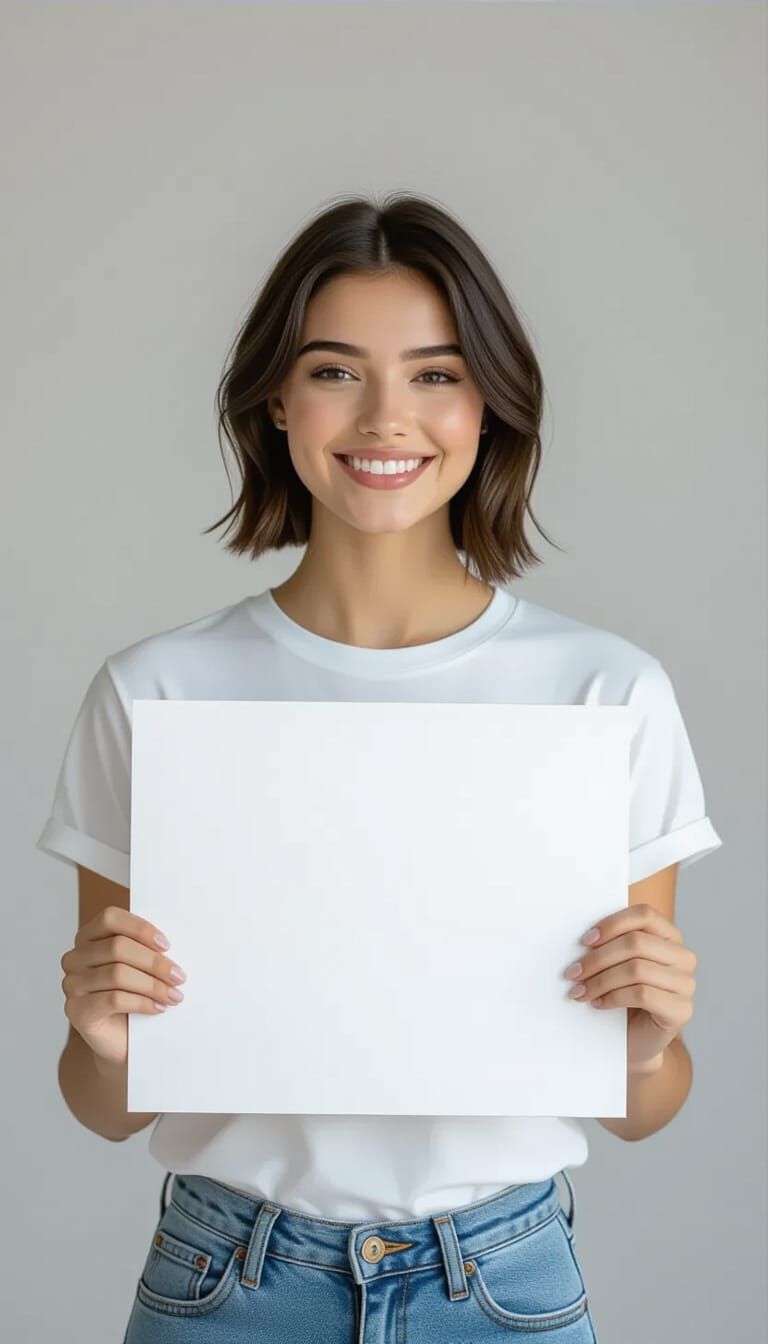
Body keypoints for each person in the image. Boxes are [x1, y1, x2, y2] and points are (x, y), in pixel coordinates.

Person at [38, 192, 722, 1343]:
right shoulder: (158, 694)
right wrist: (104, 1040)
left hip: (502, 1285)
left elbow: (643, 1108)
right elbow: (102, 1105)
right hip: (227, 1281)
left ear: (491, 401)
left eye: (436, 374)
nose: (387, 418)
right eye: (337, 370)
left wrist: (645, 1047)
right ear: (276, 398)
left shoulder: (605, 694)